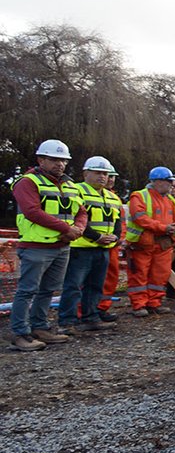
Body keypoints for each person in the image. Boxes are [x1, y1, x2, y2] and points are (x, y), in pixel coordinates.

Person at [9, 139, 86, 351]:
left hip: (60, 246)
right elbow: (32, 211)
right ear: (40, 159)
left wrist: (77, 228)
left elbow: (81, 211)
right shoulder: (28, 182)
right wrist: (66, 229)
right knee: (27, 291)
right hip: (36, 246)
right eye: (54, 159)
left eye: (63, 160)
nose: (59, 164)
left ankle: (39, 327)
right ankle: (20, 333)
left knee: (48, 290)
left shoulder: (69, 184)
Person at [59, 156, 122, 333]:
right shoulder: (76, 190)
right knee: (73, 285)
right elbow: (75, 218)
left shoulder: (111, 197)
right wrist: (97, 237)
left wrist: (115, 237)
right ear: (86, 173)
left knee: (95, 285)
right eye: (97, 173)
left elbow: (116, 222)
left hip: (102, 248)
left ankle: (91, 317)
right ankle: (67, 321)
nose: (102, 177)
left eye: (105, 173)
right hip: (81, 247)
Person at [125, 166, 175, 317]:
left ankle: (154, 303)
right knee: (139, 274)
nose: (171, 185)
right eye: (168, 181)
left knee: (159, 275)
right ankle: (139, 305)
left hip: (163, 244)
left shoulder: (170, 200)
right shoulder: (139, 196)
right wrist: (164, 228)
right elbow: (139, 218)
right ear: (157, 181)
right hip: (142, 244)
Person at [97, 167, 124, 322]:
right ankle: (82, 312)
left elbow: (119, 221)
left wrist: (119, 237)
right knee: (90, 280)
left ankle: (102, 308)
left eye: (112, 176)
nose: (110, 179)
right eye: (109, 176)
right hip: (90, 244)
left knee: (110, 278)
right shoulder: (84, 192)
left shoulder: (113, 197)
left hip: (112, 244)